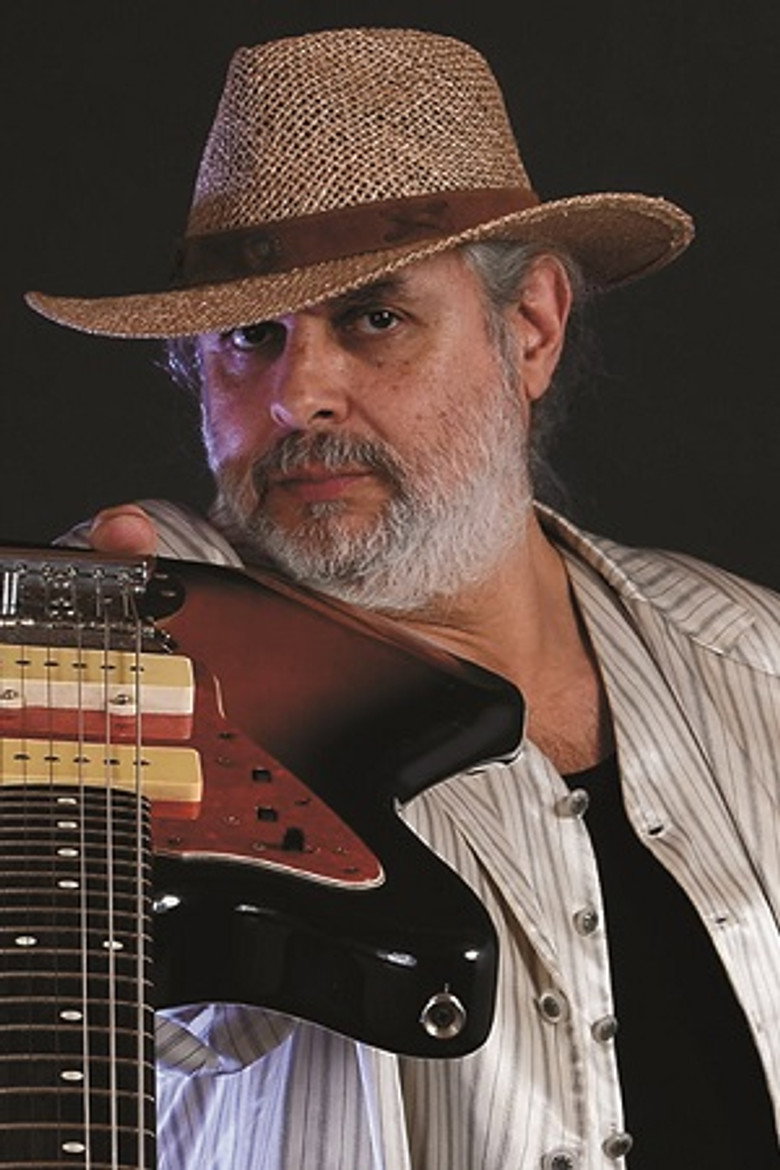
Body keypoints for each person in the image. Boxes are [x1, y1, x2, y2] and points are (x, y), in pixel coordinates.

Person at [25, 26, 779, 1170]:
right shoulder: (146, 645)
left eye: (374, 318)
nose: (299, 395)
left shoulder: (757, 665)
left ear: (529, 330)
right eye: (250, 336)